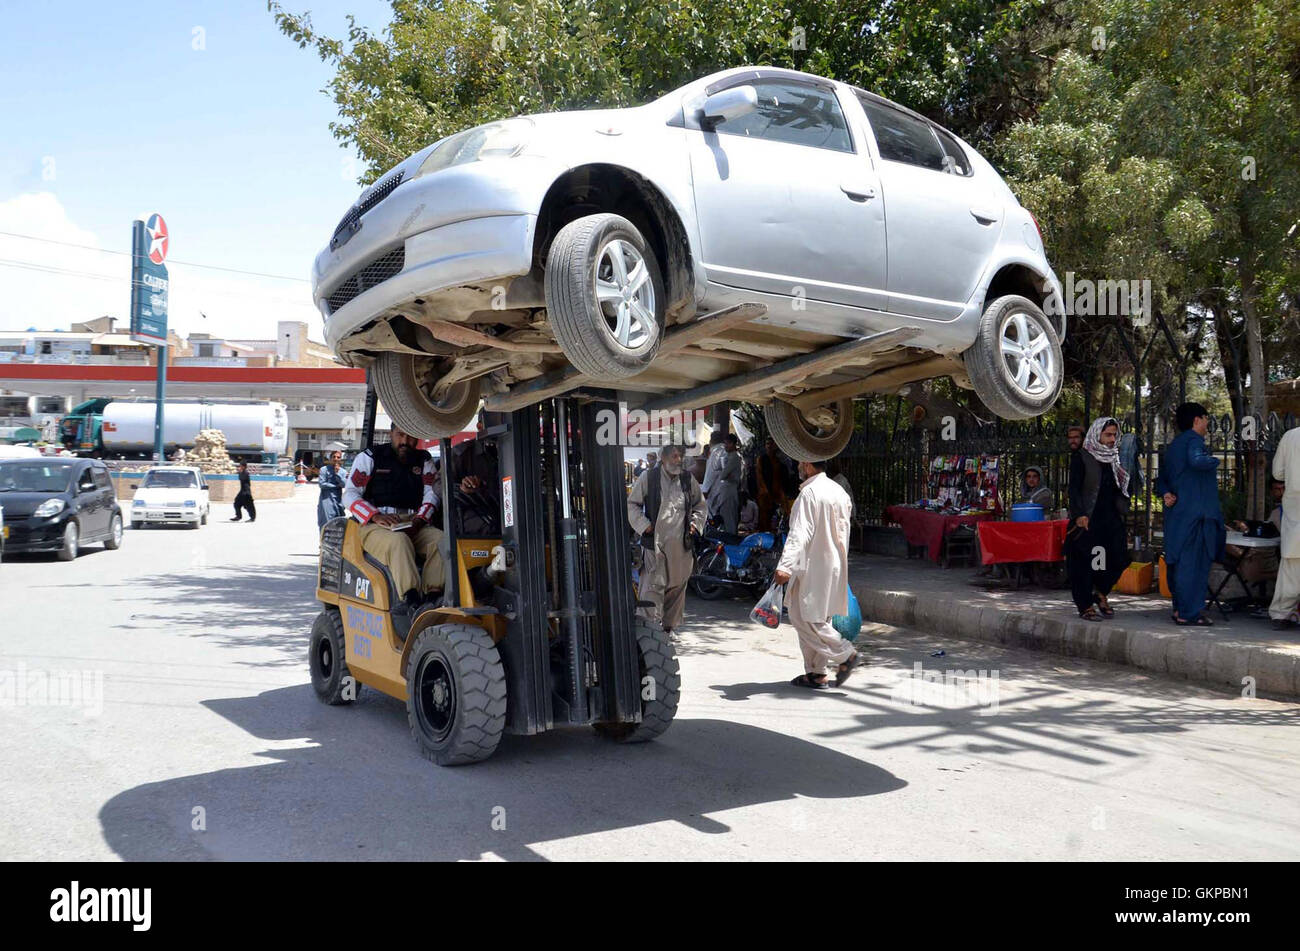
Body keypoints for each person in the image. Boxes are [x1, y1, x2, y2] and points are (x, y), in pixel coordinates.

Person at [342, 424, 446, 634]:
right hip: (375, 524)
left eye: (410, 437)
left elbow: (431, 494)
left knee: (443, 540)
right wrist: (375, 515)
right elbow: (350, 494)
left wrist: (419, 521)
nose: (405, 442)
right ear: (391, 434)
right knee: (399, 542)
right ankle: (411, 600)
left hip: (413, 521)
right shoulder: (370, 457)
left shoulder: (424, 460)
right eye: (400, 435)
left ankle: (433, 598)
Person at [773, 457, 859, 689]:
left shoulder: (809, 494)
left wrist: (785, 566)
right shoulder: (838, 492)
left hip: (811, 564)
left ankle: (845, 654)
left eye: (801, 463)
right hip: (832, 565)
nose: (799, 467)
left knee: (806, 618)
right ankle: (816, 672)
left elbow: (800, 534)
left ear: (809, 465)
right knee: (820, 617)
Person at [626, 443, 706, 638]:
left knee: (677, 587)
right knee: (653, 586)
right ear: (663, 458)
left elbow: (700, 506)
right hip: (655, 544)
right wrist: (644, 524)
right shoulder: (649, 478)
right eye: (674, 456)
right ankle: (648, 632)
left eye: (680, 456)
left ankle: (668, 629)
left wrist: (696, 524)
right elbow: (632, 504)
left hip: (681, 546)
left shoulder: (688, 480)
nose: (678, 460)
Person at [1156, 402, 1224, 626]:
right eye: (1206, 419)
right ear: (1197, 420)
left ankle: (1179, 609)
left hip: (1177, 517)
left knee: (1177, 564)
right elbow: (1197, 460)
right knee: (1194, 566)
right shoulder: (1195, 441)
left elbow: (1162, 479)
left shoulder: (1175, 445)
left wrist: (1166, 493)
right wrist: (1214, 460)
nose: (1207, 424)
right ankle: (1189, 613)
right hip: (1197, 515)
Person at [1066, 418, 1132, 621]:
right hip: (1088, 518)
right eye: (1108, 435)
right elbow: (1074, 489)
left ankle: (1100, 590)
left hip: (1109, 518)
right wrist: (1079, 515)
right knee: (1084, 563)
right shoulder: (1082, 457)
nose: (1112, 439)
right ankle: (1085, 605)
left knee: (1117, 557)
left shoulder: (1113, 457)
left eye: (1114, 434)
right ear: (1097, 434)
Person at [1268, 427, 1300, 629]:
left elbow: (1278, 473)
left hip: (1295, 510)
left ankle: (1281, 614)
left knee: (1291, 566)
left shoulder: (1291, 436)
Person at [707, 433, 743, 533]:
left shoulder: (734, 457)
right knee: (725, 518)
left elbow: (723, 475)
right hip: (725, 491)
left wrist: (723, 473)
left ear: (733, 444)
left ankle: (730, 541)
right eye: (725, 444)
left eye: (727, 444)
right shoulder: (728, 456)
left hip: (729, 491)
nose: (726, 446)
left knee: (729, 519)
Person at [753, 437, 790, 532]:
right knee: (764, 517)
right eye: (767, 444)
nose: (769, 446)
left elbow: (781, 477)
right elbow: (759, 475)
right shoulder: (761, 459)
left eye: (771, 444)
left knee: (779, 514)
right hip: (765, 493)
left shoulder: (778, 461)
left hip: (776, 492)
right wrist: (764, 490)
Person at [316, 446, 346, 529]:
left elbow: (344, 485)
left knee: (338, 523)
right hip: (326, 499)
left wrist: (337, 473)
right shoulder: (324, 470)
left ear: (340, 459)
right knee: (326, 523)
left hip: (338, 500)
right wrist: (336, 486)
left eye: (338, 457)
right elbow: (322, 484)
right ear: (330, 458)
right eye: (334, 457)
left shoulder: (343, 471)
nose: (336, 459)